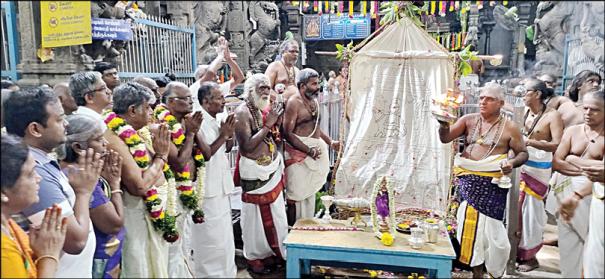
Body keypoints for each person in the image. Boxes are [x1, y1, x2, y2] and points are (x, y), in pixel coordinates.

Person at [4, 87, 103, 278]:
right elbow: (75, 241)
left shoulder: (40, 162)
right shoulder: (31, 169)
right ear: (35, 129)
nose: (66, 124)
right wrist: (83, 192)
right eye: (58, 119)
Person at [436, 83, 528, 278]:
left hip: (491, 184)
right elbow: (445, 138)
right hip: (468, 181)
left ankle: (492, 269)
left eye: (489, 99)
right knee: (468, 228)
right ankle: (476, 271)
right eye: (481, 98)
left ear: (501, 103)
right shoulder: (468, 120)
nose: (483, 102)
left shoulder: (510, 128)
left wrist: (511, 163)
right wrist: (443, 124)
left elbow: (523, 153)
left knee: (493, 235)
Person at [104, 82, 172, 277]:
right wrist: (161, 155)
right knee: (140, 266)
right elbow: (139, 186)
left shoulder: (137, 131)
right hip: (136, 216)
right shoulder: (114, 137)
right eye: (148, 107)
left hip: (150, 214)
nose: (152, 111)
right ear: (132, 110)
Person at [56, 114, 126, 279]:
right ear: (78, 147)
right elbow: (114, 224)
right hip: (95, 260)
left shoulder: (68, 171)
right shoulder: (82, 179)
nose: (105, 144)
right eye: (98, 139)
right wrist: (115, 184)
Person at [234, 73, 287, 274]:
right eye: (261, 88)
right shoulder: (242, 113)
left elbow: (272, 137)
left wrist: (274, 122)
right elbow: (247, 147)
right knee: (254, 219)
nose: (266, 91)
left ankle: (274, 252)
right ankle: (255, 257)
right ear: (250, 90)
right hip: (254, 171)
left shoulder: (260, 109)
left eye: (267, 87)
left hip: (271, 169)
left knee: (277, 214)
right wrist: (268, 124)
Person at [551, 90, 604, 278]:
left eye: (595, 110)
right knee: (568, 244)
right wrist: (589, 167)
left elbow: (602, 172)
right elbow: (557, 161)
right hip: (566, 191)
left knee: (593, 245)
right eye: (586, 108)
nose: (588, 113)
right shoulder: (573, 131)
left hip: (592, 195)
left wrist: (575, 160)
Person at [1, 134, 67, 278]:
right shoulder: (3, 251)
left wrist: (39, 251)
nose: (39, 178)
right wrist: (49, 256)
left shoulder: (8, 224)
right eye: (30, 174)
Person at [190, 81, 238, 277]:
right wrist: (224, 134)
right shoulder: (198, 122)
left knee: (225, 238)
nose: (223, 101)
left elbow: (227, 148)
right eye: (219, 98)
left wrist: (229, 134)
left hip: (221, 186)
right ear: (206, 101)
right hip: (207, 189)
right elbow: (206, 153)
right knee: (211, 239)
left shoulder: (218, 118)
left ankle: (228, 273)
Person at [156, 81, 204, 278]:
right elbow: (179, 162)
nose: (191, 103)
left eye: (191, 99)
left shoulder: (187, 121)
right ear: (170, 102)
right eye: (185, 99)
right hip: (173, 193)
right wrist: (191, 132)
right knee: (174, 248)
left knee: (186, 243)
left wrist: (193, 130)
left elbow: (205, 154)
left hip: (189, 189)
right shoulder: (163, 126)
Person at [515, 79, 564, 272]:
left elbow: (557, 144)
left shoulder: (553, 116)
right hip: (522, 166)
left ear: (537, 94)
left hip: (538, 170)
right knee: (518, 211)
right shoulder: (524, 112)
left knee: (532, 214)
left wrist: (531, 143)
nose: (523, 95)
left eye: (526, 92)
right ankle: (517, 252)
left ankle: (531, 257)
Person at [283, 68, 340, 224]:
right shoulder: (293, 103)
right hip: (298, 157)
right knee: (295, 197)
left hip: (314, 153)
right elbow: (287, 133)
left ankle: (307, 229)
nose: (318, 87)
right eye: (314, 84)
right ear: (302, 86)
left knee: (309, 196)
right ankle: (293, 232)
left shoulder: (313, 101)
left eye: (318, 83)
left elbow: (314, 127)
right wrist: (308, 150)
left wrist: (330, 142)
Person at [191, 37, 245, 112]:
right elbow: (210, 73)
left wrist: (228, 59)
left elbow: (239, 78)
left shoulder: (217, 90)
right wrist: (220, 55)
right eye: (214, 76)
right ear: (201, 78)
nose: (217, 77)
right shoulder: (195, 89)